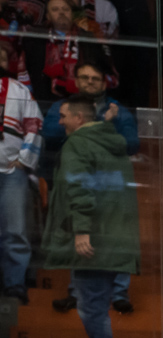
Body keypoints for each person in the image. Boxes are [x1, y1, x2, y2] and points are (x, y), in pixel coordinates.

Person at [43, 94, 137, 338]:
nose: (60, 122)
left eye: (63, 116)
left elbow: (79, 187)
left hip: (93, 243)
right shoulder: (110, 141)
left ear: (79, 118)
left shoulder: (79, 143)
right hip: (115, 240)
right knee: (97, 307)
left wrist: (81, 231)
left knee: (92, 309)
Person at [43, 59, 135, 314]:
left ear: (104, 83)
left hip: (110, 182)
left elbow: (131, 143)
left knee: (116, 232)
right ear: (76, 81)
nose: (90, 83)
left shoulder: (118, 109)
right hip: (76, 174)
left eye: (96, 79)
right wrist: (92, 124)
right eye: (85, 78)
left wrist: (105, 125)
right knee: (79, 228)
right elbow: (49, 134)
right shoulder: (63, 107)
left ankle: (119, 293)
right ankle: (76, 291)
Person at [0, 40, 42, 304]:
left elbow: (34, 125)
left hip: (11, 171)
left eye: (2, 58)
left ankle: (14, 283)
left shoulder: (19, 90)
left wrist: (25, 160)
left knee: (15, 230)